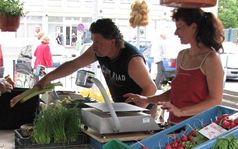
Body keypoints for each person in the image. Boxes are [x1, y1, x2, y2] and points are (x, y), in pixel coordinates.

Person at [12, 18, 156, 107]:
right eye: (93, 41)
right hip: (121, 107)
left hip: (142, 110)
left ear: (112, 41)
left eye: (98, 42)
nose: (94, 46)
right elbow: (74, 64)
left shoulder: (132, 60)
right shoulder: (98, 51)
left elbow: (151, 88)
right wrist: (47, 78)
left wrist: (134, 112)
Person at [125, 8, 224, 124]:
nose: (176, 33)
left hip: (197, 128)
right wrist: (147, 99)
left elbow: (215, 100)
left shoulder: (211, 59)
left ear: (193, 28)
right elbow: (176, 92)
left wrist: (181, 111)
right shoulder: (182, 55)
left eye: (180, 28)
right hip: (174, 125)